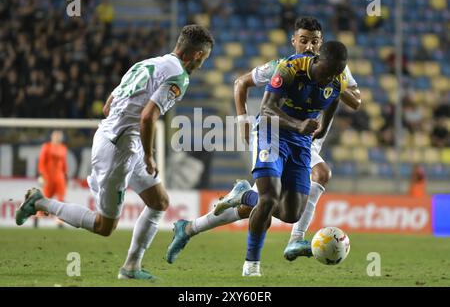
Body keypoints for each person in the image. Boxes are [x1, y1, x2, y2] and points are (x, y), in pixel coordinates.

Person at [15, 25, 214, 280]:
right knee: (104, 226)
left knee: (159, 202)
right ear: (196, 55)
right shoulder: (179, 77)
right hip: (121, 148)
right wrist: (148, 155)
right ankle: (40, 202)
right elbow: (147, 118)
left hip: (117, 139)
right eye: (203, 59)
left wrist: (129, 133)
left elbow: (108, 106)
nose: (201, 65)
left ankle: (131, 267)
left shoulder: (146, 64)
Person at [165, 17, 360, 265]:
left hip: (304, 141)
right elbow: (241, 83)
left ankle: (190, 227)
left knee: (257, 207)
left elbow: (356, 100)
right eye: (304, 41)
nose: (309, 46)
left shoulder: (337, 69)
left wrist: (334, 79)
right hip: (278, 135)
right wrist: (243, 121)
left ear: (322, 46)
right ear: (294, 41)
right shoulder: (282, 67)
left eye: (315, 42)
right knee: (320, 174)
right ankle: (295, 239)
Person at [238, 41, 349, 276]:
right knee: (269, 199)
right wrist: (298, 124)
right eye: (327, 72)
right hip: (272, 133)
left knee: (292, 214)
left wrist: (323, 127)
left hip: (300, 143)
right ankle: (251, 265)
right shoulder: (290, 69)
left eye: (335, 74)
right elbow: (267, 109)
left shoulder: (337, 80)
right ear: (317, 60)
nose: (329, 79)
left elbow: (335, 99)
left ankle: (245, 195)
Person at [36, 130, 68, 227]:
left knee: (61, 199)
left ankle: (60, 221)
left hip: (60, 177)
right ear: (52, 136)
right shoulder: (47, 146)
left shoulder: (63, 148)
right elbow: (41, 162)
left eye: (59, 136)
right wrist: (42, 175)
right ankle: (37, 218)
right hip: (48, 177)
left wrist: (66, 175)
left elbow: (64, 164)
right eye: (56, 136)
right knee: (45, 200)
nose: (57, 137)